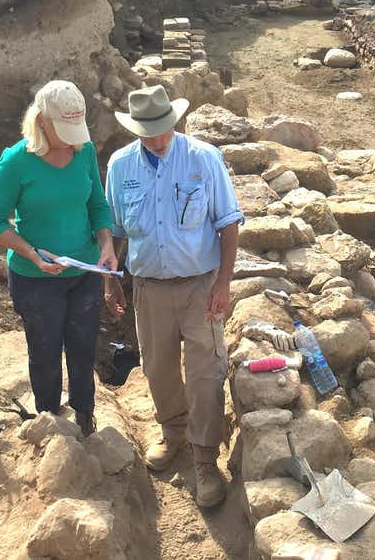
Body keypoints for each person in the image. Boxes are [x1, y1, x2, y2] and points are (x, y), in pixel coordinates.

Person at [103, 85, 243, 510]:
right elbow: (114, 232)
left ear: (175, 122)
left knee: (205, 372)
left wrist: (222, 284)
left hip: (200, 285)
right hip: (148, 288)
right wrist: (110, 282)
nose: (157, 139)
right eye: (148, 132)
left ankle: (205, 460)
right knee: (158, 367)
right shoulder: (121, 166)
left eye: (163, 129)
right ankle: (173, 432)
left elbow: (229, 224)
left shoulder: (203, 159)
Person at [0, 80, 118, 436]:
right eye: (65, 131)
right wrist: (32, 254)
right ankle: (48, 420)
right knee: (44, 352)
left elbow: (97, 205)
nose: (73, 140)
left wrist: (106, 245)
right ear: (42, 121)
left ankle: (85, 414)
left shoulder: (84, 151)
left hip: (83, 271)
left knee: (83, 345)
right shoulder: (15, 162)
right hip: (35, 278)